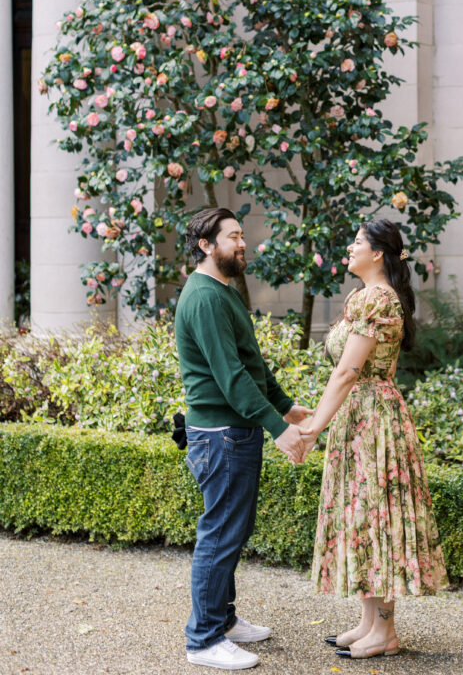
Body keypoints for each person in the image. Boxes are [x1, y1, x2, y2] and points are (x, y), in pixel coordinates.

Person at [299, 219, 449, 660]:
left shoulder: (378, 299)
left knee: (376, 514)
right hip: (361, 415)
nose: (350, 246)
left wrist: (314, 427)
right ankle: (369, 622)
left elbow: (348, 371)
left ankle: (385, 631)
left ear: (379, 253)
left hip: (371, 418)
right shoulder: (362, 297)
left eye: (358, 242)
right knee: (361, 515)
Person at [175, 206, 312, 671]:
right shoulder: (206, 298)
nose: (243, 243)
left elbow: (252, 365)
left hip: (233, 432)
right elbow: (230, 376)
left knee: (231, 530)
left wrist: (286, 406)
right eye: (233, 236)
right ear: (206, 246)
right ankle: (204, 639)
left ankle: (223, 621)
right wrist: (279, 431)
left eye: (241, 235)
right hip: (221, 435)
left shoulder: (223, 292)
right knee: (220, 533)